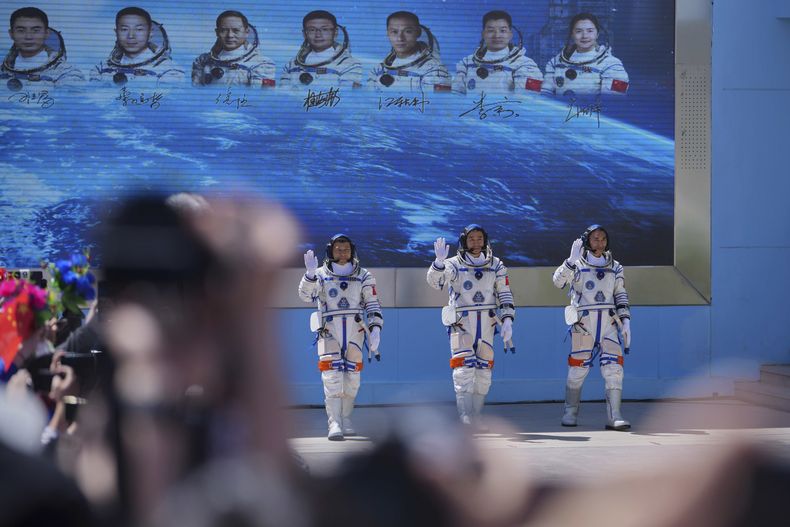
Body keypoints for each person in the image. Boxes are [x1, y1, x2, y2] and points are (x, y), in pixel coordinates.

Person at [427, 225, 515, 429]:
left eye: (479, 238)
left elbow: (504, 292)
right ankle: (465, 416)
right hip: (462, 325)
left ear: (485, 240)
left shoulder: (496, 264)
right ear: (464, 241)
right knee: (463, 370)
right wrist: (438, 263)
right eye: (471, 238)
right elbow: (436, 282)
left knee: (484, 373)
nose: (476, 242)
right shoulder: (453, 264)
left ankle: (477, 416)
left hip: (487, 324)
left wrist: (508, 319)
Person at [298, 234, 383, 441]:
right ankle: (334, 422)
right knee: (332, 377)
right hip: (329, 330)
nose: (343, 252)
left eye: (346, 249)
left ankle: (346, 418)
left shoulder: (364, 275)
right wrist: (309, 275)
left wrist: (375, 328)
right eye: (338, 249)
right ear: (330, 250)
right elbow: (305, 295)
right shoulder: (320, 274)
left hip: (355, 331)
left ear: (352, 251)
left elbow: (372, 303)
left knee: (353, 379)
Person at [552, 225, 631, 430]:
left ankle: (615, 416)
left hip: (608, 325)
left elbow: (620, 294)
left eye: (603, 238)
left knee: (614, 369)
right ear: (587, 240)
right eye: (595, 238)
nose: (600, 242)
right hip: (584, 325)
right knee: (577, 369)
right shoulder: (577, 265)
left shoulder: (615, 267)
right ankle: (570, 412)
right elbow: (557, 282)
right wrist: (570, 261)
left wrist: (626, 320)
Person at [452, 10, 542, 95]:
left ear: (510, 34)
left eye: (503, 31)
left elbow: (530, 100)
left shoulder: (526, 65)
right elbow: (456, 96)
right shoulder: (467, 63)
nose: (497, 36)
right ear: (483, 34)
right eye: (491, 31)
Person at [91, 6, 184, 86]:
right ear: (116, 33)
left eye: (139, 29)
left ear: (150, 33)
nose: (131, 36)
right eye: (124, 29)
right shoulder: (100, 69)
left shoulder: (169, 71)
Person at [543, 13, 629, 97]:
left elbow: (614, 101)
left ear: (597, 34)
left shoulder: (612, 65)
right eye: (578, 31)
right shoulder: (557, 61)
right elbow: (545, 94)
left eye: (590, 31)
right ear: (572, 35)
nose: (585, 36)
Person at [1, 7, 83, 91]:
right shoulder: (2, 70)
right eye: (21, 30)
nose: (28, 37)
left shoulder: (66, 74)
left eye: (36, 30)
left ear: (47, 33)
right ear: (11, 34)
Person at [368, 11, 451, 92]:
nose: (400, 38)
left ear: (418, 33)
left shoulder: (435, 70)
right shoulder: (378, 70)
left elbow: (441, 99)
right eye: (394, 32)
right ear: (388, 33)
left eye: (408, 31)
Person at [191, 10, 275, 88]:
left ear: (246, 32)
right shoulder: (203, 61)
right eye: (224, 30)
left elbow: (263, 96)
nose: (230, 35)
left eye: (236, 30)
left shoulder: (262, 64)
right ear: (217, 32)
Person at [280, 10, 362, 90]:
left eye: (324, 29)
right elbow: (283, 94)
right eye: (312, 30)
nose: (318, 35)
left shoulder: (349, 65)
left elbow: (347, 96)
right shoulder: (291, 65)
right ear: (304, 34)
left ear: (335, 32)